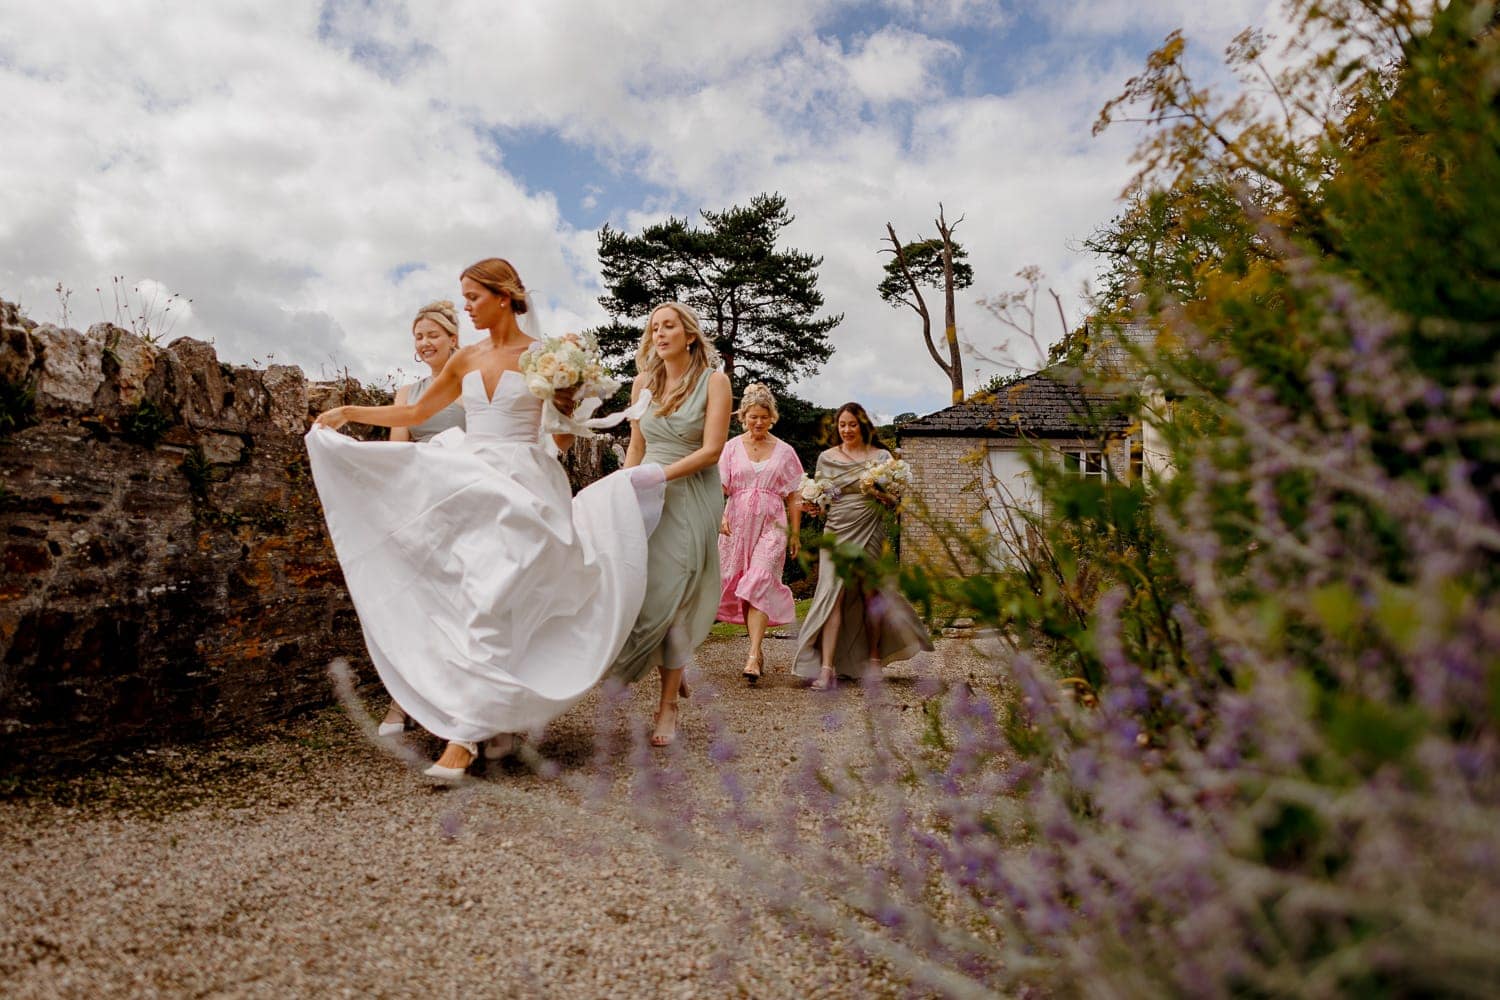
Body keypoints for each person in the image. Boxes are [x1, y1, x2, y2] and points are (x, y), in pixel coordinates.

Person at [308, 258, 664, 779]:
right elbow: (415, 414)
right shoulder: (466, 358)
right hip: (470, 482)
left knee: (497, 599)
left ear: (503, 296)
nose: (467, 307)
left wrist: (565, 408)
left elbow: (562, 437)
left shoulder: (545, 357)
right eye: (464, 298)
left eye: (473, 297)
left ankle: (468, 734)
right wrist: (349, 413)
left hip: (524, 487)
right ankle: (483, 724)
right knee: (474, 598)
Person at [607, 302, 732, 747]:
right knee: (642, 590)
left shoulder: (715, 382)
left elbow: (712, 450)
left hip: (692, 491)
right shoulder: (643, 382)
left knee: (675, 592)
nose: (659, 334)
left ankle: (667, 707)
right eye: (654, 327)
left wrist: (661, 475)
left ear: (689, 335)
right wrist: (623, 489)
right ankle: (671, 662)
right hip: (647, 491)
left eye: (668, 327)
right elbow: (637, 446)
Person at [792, 402, 932, 691]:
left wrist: (885, 498)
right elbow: (824, 499)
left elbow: (895, 501)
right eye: (842, 425)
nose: (847, 430)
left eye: (852, 424)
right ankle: (827, 668)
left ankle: (874, 661)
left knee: (872, 595)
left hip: (870, 529)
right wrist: (814, 506)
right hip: (836, 531)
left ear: (863, 425)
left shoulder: (881, 457)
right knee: (832, 595)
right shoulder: (826, 458)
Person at [376, 300, 466, 738]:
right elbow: (398, 450)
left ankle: (459, 699)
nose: (425, 342)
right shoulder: (407, 393)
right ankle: (403, 700)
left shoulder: (471, 386)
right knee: (416, 598)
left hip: (463, 498)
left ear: (453, 339)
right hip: (421, 500)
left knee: (457, 600)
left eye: (433, 335)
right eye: (419, 336)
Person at [716, 382, 803, 684]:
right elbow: (717, 487)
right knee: (742, 584)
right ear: (743, 417)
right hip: (736, 525)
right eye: (753, 417)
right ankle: (757, 648)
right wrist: (718, 515)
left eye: (764, 417)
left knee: (760, 580)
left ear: (772, 418)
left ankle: (753, 654)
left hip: (772, 525)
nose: (758, 422)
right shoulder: (730, 448)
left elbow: (794, 495)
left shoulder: (785, 452)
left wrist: (795, 533)